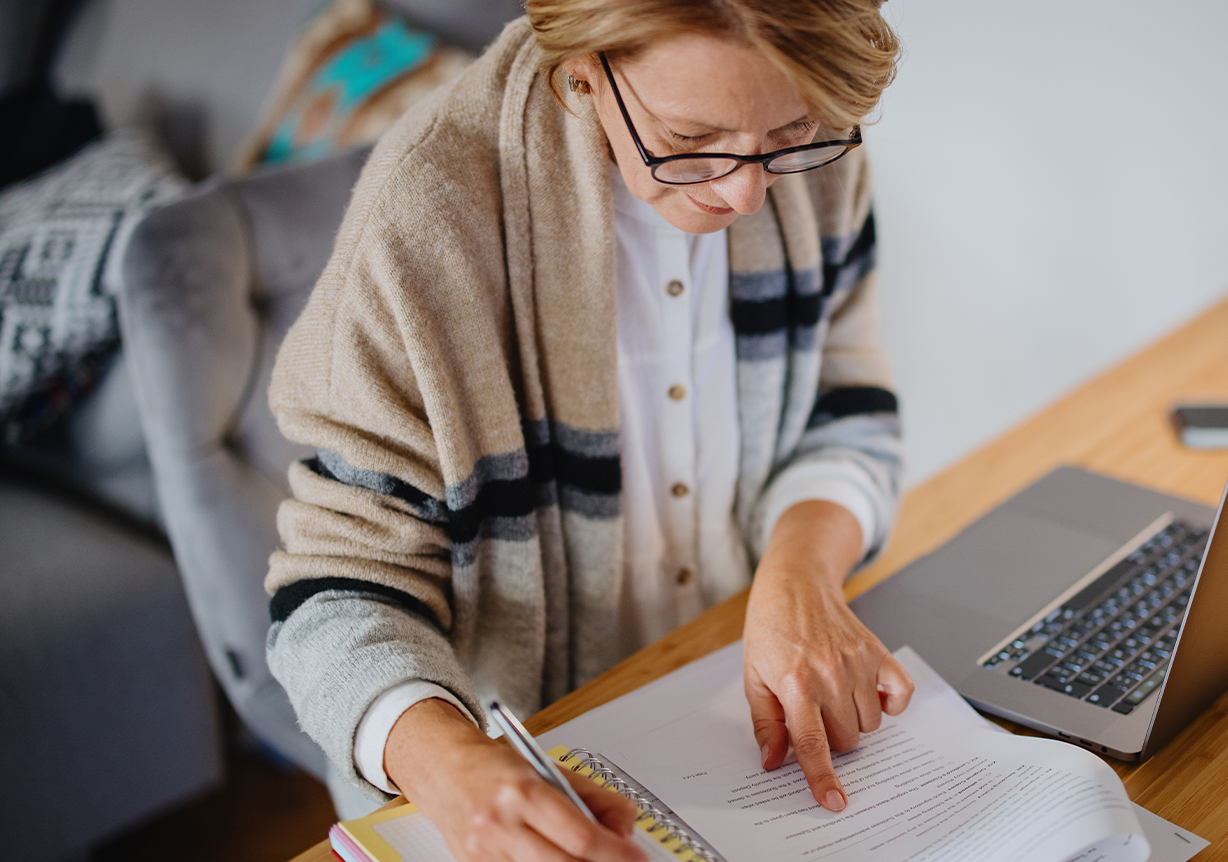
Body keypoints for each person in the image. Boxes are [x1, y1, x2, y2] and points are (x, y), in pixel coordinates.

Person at [265, 2, 909, 859]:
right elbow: (331, 595)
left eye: (791, 132)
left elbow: (848, 407)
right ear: (582, 63)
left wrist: (800, 576)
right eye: (691, 139)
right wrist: (454, 770)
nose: (746, 190)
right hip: (519, 767)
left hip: (743, 729)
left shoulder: (813, 159)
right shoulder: (426, 219)